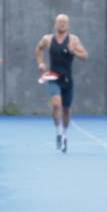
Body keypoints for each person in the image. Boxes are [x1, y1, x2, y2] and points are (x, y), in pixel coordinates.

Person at [36, 14, 88, 153]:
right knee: (56, 104)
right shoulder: (48, 39)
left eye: (64, 22)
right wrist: (41, 63)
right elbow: (39, 49)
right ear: (55, 24)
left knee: (66, 109)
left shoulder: (73, 39)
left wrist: (74, 51)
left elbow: (85, 55)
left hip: (67, 79)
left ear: (68, 25)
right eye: (60, 22)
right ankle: (58, 132)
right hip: (53, 77)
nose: (62, 24)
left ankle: (64, 135)